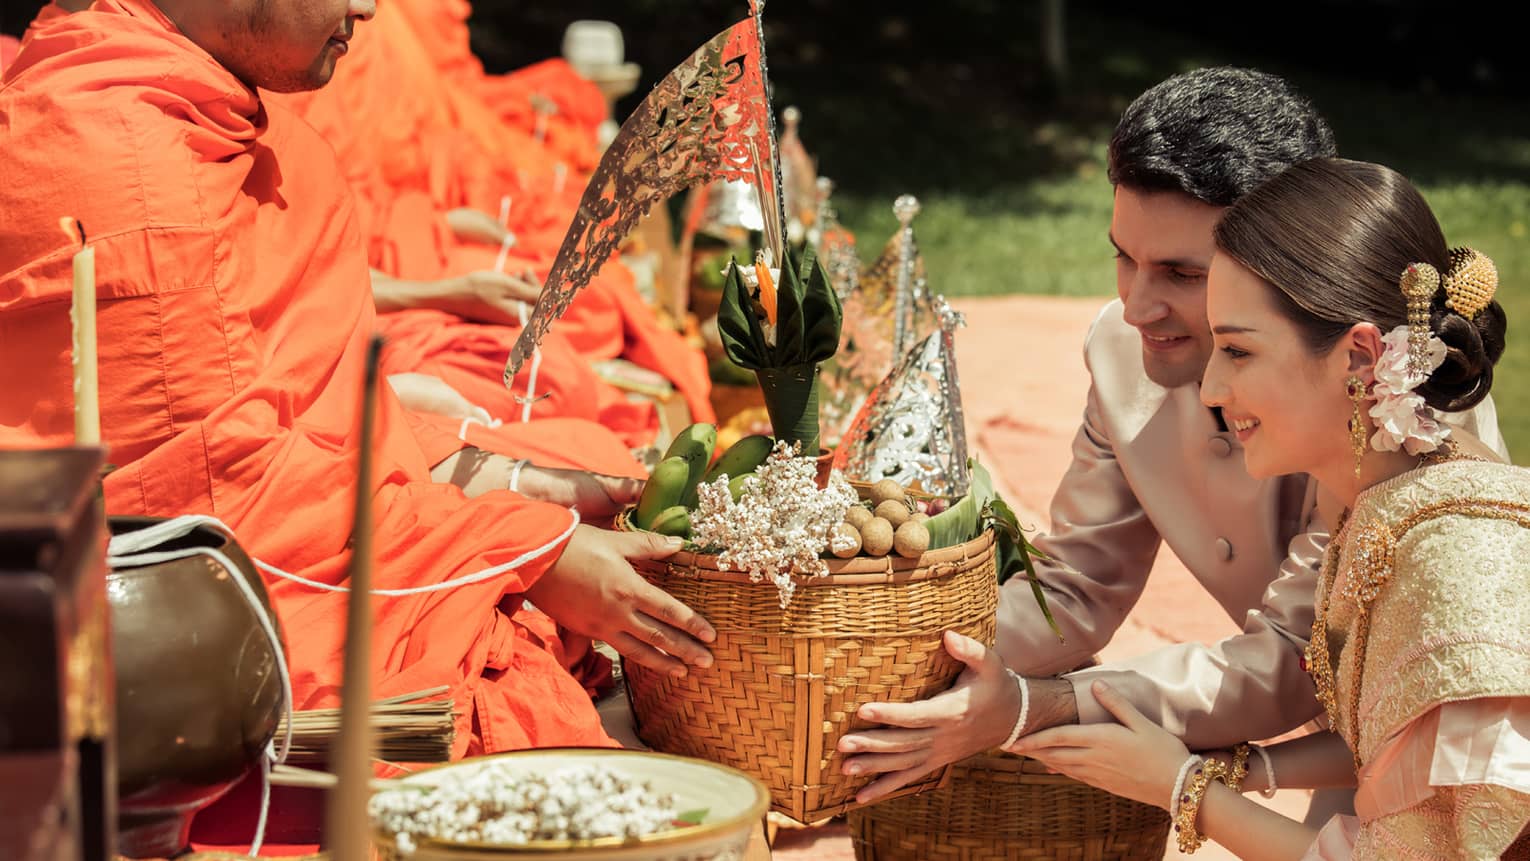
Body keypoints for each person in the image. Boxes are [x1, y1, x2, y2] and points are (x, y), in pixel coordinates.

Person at [0, 0, 715, 787]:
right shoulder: (129, 173)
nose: (371, 9)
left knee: (577, 457)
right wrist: (527, 551)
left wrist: (523, 490)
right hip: (173, 606)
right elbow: (218, 523)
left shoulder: (232, 120)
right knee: (516, 715)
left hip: (303, 519)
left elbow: (311, 411)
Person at [838, 67, 1506, 804]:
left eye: (1181, 272)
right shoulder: (1122, 353)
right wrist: (880, 658)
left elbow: (1294, 657)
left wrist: (1036, 706)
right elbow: (1076, 582)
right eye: (1123, 256)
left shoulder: (1402, 400)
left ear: (1296, 255)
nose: (1134, 306)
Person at [1010, 156, 1530, 859]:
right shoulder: (1388, 505)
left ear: (1358, 358)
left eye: (1238, 352)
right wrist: (1251, 768)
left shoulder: (1453, 561)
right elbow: (1397, 741)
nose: (1211, 388)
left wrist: (1185, 787)